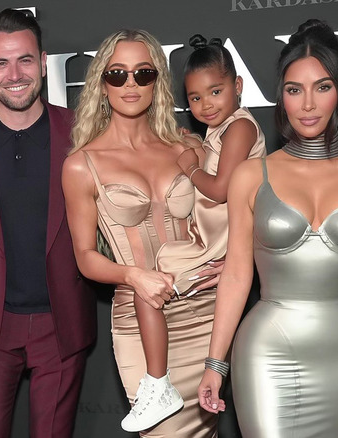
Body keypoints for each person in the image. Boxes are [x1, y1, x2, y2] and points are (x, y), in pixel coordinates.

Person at [197, 19, 338, 437]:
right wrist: (215, 362)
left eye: (322, 87)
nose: (308, 104)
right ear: (281, 98)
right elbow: (237, 275)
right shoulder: (250, 176)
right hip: (267, 352)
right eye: (294, 90)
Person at [0, 9, 98, 438]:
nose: (15, 74)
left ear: (43, 62)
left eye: (25, 60)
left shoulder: (81, 132)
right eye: (1, 63)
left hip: (61, 322)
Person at [63, 29, 221, 437]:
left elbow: (227, 222)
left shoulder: (189, 148)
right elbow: (84, 255)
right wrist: (132, 275)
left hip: (205, 312)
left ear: (157, 82)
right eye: (117, 74)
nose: (130, 84)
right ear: (101, 84)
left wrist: (233, 264)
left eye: (142, 73)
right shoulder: (83, 164)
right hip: (139, 317)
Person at [156, 34, 266, 295]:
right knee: (160, 266)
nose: (206, 105)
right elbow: (214, 163)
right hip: (209, 232)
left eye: (216, 92)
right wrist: (194, 143)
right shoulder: (219, 129)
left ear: (237, 85)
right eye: (195, 98)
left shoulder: (240, 127)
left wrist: (191, 168)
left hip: (229, 237)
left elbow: (220, 190)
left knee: (162, 271)